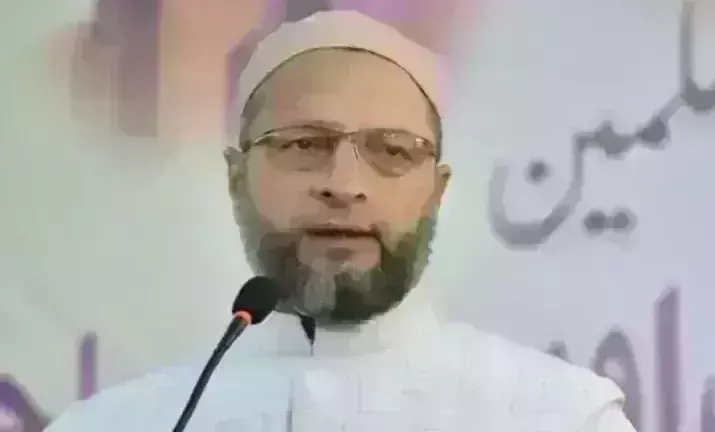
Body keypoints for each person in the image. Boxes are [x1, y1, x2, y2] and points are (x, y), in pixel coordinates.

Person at [45, 10, 637, 432]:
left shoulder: (560, 416)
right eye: (304, 144)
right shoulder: (119, 423)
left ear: (436, 191)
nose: (345, 184)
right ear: (237, 179)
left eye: (394, 151)